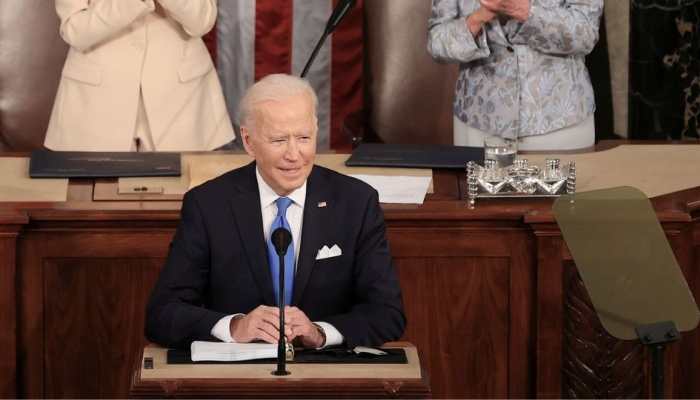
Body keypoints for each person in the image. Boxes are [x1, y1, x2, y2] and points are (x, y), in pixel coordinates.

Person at [145, 74, 406, 349]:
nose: (294, 155)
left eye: (304, 138)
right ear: (248, 141)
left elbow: (388, 313)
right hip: (237, 380)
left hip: (325, 378)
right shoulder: (208, 205)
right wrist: (235, 327)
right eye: (279, 140)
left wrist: (320, 332)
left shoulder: (356, 202)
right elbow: (163, 313)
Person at [44, 0, 235, 152]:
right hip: (96, 105)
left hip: (181, 101)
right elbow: (74, 31)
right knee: (94, 197)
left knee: (190, 197)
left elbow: (202, 21)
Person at [427, 0, 603, 150]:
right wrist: (477, 19)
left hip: (559, 124)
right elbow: (436, 43)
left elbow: (586, 33)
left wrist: (525, 11)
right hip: (478, 125)